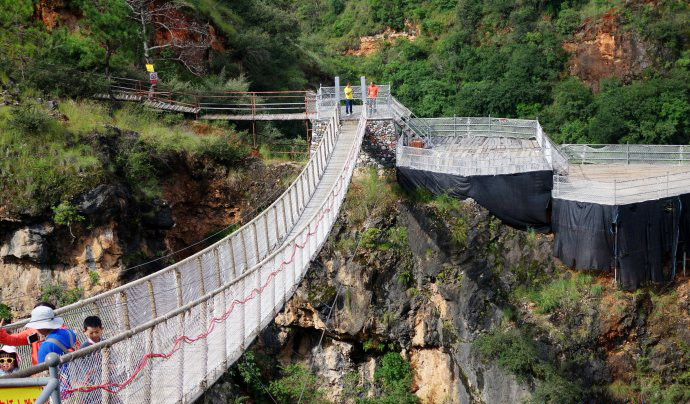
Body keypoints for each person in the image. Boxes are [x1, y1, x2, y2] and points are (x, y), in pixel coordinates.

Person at [0, 302, 78, 365]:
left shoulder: (46, 344)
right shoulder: (68, 332)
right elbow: (12, 340)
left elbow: (41, 372)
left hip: (48, 377)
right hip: (67, 376)